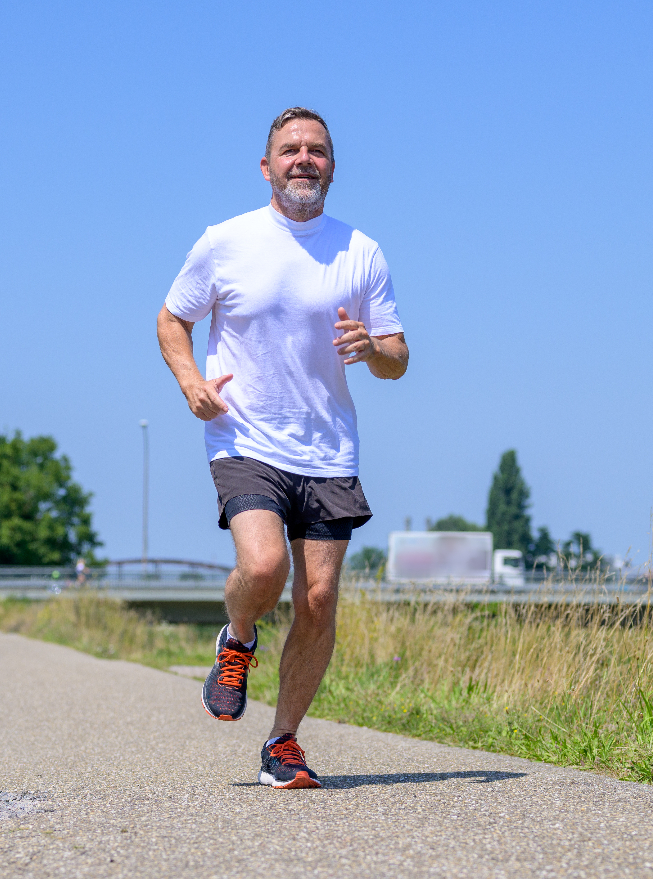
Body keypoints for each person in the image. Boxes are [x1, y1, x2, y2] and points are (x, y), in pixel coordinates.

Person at [156, 107, 408, 789]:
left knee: (319, 597)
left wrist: (373, 349)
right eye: (290, 149)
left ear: (332, 166)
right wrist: (190, 382)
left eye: (317, 150)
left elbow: (397, 356)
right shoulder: (226, 241)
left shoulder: (362, 251)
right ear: (266, 167)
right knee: (264, 567)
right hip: (246, 436)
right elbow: (172, 317)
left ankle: (282, 743)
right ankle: (238, 635)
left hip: (329, 449)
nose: (304, 158)